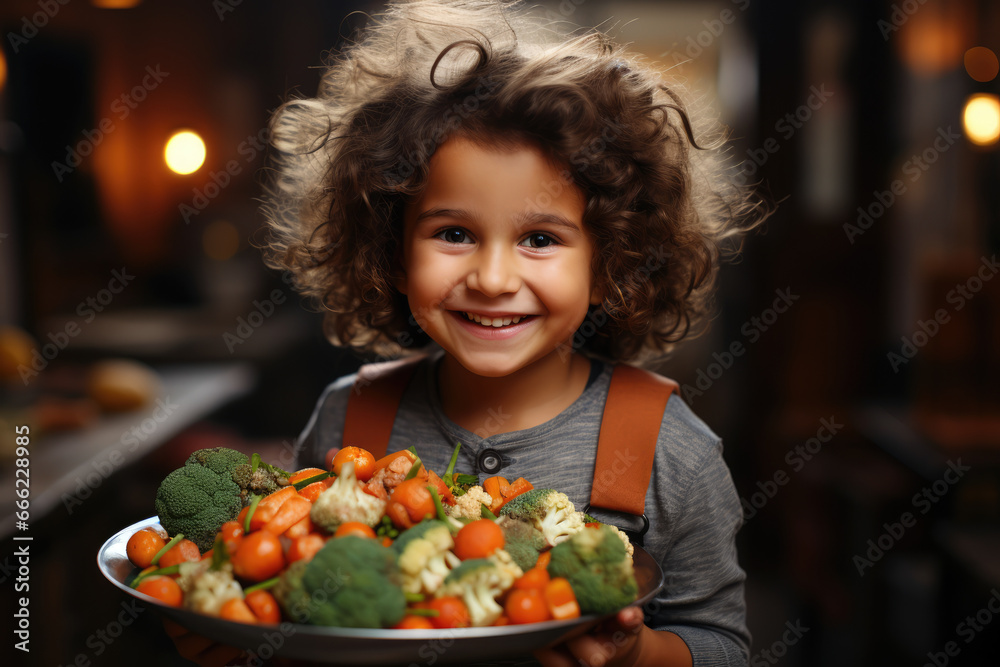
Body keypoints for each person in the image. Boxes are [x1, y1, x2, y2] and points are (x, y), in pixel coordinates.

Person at [260, 1, 768, 665]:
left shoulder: (672, 450)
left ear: (609, 255)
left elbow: (723, 644)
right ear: (390, 248)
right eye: (454, 233)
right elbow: (288, 601)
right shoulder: (345, 419)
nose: (494, 277)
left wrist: (638, 652)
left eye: (538, 238)